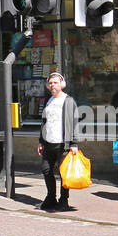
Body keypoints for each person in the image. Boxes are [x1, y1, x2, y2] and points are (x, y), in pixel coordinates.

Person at [35, 72, 79, 212]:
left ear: (62, 85)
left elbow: (74, 123)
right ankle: (51, 197)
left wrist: (74, 144)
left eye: (55, 82)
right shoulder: (48, 101)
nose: (53, 85)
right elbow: (44, 123)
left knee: (64, 173)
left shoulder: (68, 100)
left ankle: (63, 200)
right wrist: (41, 141)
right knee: (46, 169)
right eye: (51, 83)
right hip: (48, 142)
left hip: (63, 144)